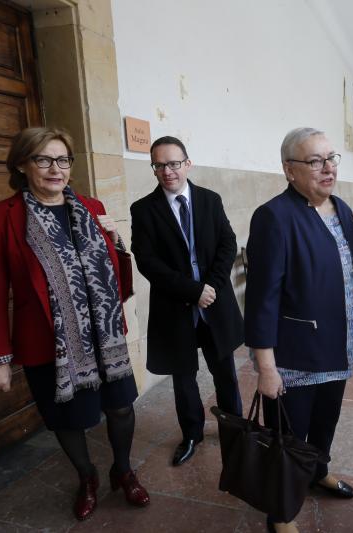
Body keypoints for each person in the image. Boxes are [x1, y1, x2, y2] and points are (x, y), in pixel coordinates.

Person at [0, 127, 149, 521]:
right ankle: (86, 476)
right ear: (22, 164)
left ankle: (122, 470)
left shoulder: (90, 205)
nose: (56, 169)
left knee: (121, 408)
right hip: (47, 341)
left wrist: (116, 242)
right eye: (43, 159)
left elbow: (118, 281)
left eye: (63, 159)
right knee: (67, 419)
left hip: (105, 337)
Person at [245, 127, 353, 533]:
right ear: (289, 170)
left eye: (331, 158)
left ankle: (318, 471)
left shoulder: (341, 210)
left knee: (325, 422)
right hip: (296, 353)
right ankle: (281, 512)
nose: (328, 168)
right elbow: (262, 296)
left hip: (338, 346)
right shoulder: (274, 216)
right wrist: (266, 366)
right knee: (288, 436)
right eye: (315, 161)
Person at [130, 136, 243, 467]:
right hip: (175, 307)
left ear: (187, 164)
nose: (168, 171)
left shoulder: (210, 200)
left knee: (225, 372)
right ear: (154, 169)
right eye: (160, 165)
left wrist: (211, 287)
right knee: (183, 377)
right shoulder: (144, 209)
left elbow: (227, 243)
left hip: (214, 305)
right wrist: (192, 290)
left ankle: (233, 432)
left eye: (174, 163)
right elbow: (147, 261)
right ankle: (191, 434)